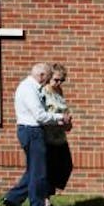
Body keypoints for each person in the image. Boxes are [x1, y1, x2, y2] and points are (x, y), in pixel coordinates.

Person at [1, 61, 72, 206]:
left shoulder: (32, 87)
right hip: (32, 131)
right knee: (39, 172)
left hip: (32, 131)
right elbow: (39, 115)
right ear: (41, 75)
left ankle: (13, 198)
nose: (48, 81)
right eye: (48, 78)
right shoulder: (29, 89)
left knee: (34, 170)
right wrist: (60, 117)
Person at [41, 63, 74, 198]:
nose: (59, 83)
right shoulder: (43, 92)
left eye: (62, 80)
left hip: (60, 136)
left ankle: (48, 195)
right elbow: (42, 115)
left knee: (66, 166)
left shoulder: (59, 92)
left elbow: (64, 111)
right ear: (49, 78)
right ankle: (45, 200)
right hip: (47, 137)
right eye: (56, 79)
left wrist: (68, 122)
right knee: (49, 170)